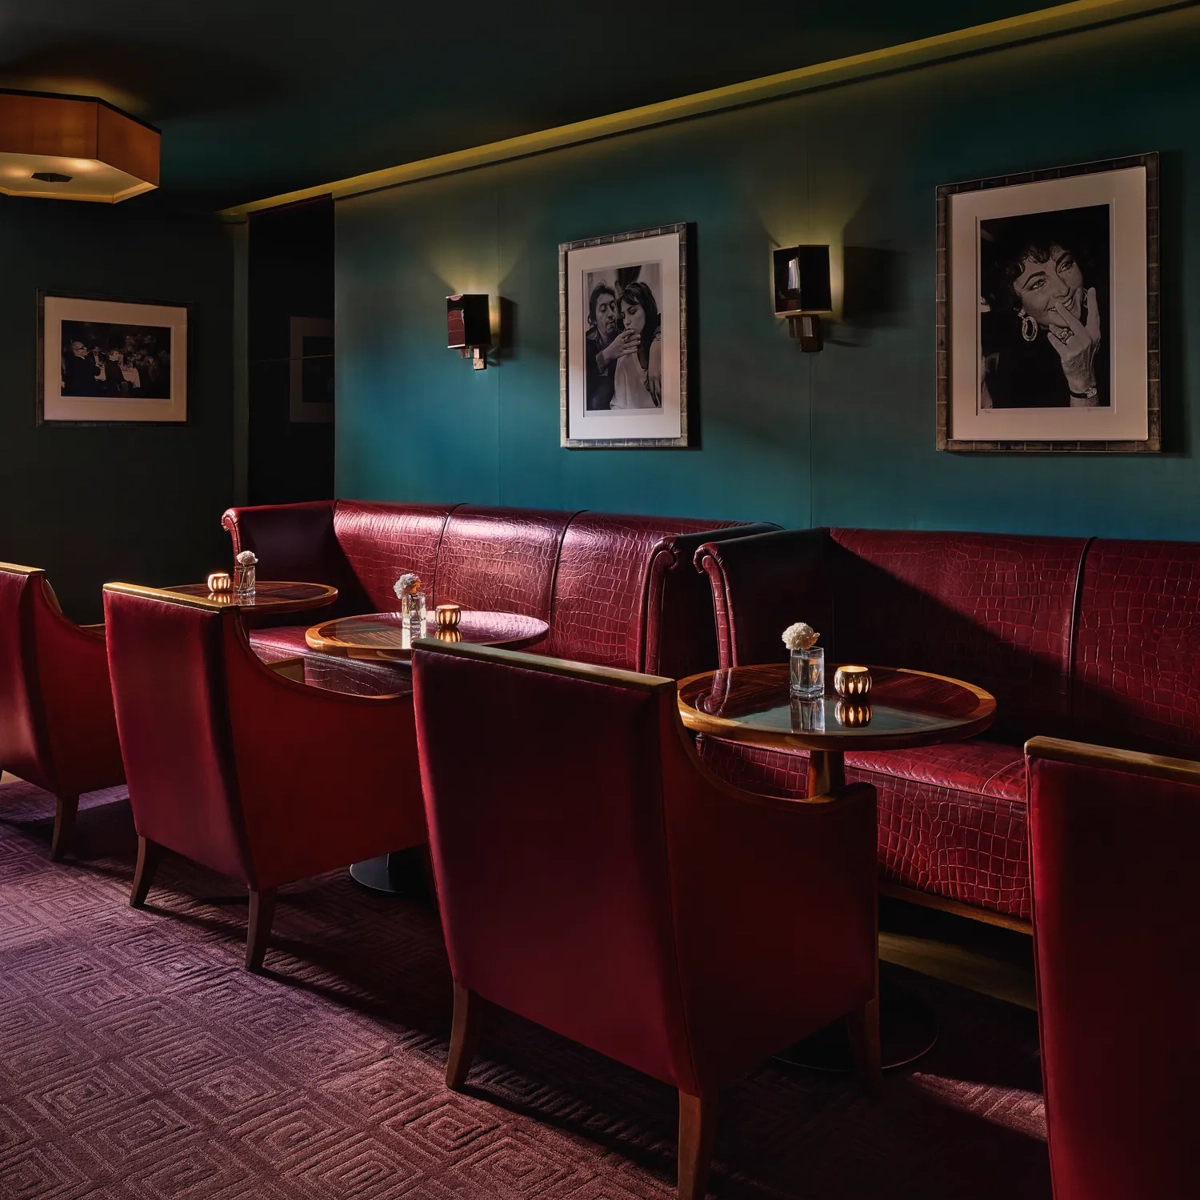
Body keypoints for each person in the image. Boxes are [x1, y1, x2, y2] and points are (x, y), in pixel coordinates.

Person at [980, 214, 1108, 409]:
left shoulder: (1123, 328)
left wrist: (1084, 379)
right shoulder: (1014, 365)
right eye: (1038, 283)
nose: (1063, 289)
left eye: (1065, 265)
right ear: (1018, 305)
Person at [585, 282, 638, 410]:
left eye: (613, 307)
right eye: (603, 310)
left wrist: (657, 341)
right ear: (594, 319)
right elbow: (580, 379)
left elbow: (656, 320)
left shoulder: (624, 327)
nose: (610, 314)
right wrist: (607, 354)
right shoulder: (585, 342)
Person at [611, 280, 662, 410]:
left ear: (647, 310)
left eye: (632, 311)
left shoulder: (666, 346)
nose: (627, 321)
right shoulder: (623, 358)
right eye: (623, 316)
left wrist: (657, 345)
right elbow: (618, 406)